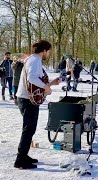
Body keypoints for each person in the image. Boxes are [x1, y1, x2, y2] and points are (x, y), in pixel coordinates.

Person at [14, 40, 61, 169]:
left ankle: (24, 155)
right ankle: (20, 159)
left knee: (30, 129)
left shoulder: (34, 60)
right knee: (28, 129)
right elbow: (32, 78)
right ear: (44, 51)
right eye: (49, 51)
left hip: (28, 99)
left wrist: (51, 84)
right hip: (27, 100)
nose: (49, 54)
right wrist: (46, 86)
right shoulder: (35, 61)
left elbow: (36, 83)